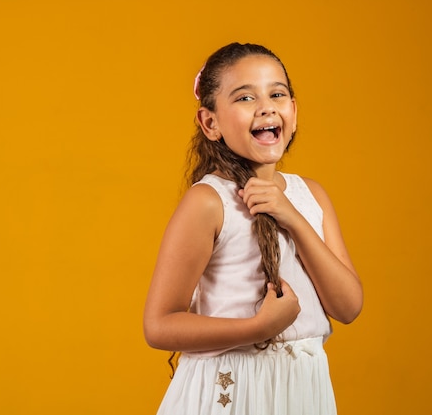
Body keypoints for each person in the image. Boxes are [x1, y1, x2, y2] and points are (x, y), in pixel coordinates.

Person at [143, 42, 363, 415]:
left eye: (277, 93)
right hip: (232, 395)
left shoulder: (310, 196)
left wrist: (291, 216)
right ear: (210, 123)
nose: (265, 106)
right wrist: (256, 329)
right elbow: (159, 326)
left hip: (302, 393)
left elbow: (347, 306)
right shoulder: (209, 202)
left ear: (292, 110)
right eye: (245, 97)